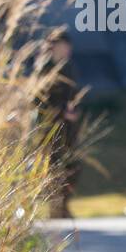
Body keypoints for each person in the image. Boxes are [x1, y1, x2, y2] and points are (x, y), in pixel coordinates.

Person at [35, 30, 84, 219]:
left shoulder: (69, 67)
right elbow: (38, 100)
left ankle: (64, 202)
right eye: (65, 46)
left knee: (73, 164)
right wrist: (59, 111)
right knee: (53, 165)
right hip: (50, 126)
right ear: (54, 46)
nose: (68, 50)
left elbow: (75, 93)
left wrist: (74, 110)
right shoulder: (45, 68)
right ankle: (55, 207)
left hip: (69, 126)